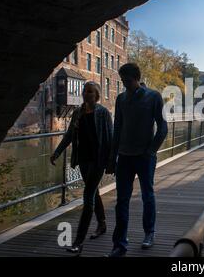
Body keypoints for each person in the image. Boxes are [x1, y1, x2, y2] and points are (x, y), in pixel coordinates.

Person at [106, 63, 167, 257]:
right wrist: (112, 157)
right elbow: (117, 128)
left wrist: (151, 151)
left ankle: (149, 233)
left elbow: (163, 126)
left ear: (136, 78)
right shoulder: (121, 99)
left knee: (147, 195)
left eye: (127, 81)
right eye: (122, 81)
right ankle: (119, 244)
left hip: (144, 157)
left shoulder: (153, 96)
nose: (124, 84)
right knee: (121, 200)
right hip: (124, 156)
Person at [50, 81, 113, 255]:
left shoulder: (103, 113)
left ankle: (79, 241)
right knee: (93, 192)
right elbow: (69, 135)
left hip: (98, 160)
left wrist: (111, 161)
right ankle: (102, 223)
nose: (87, 94)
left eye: (91, 92)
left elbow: (111, 138)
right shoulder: (77, 113)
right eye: (85, 91)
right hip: (83, 160)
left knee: (88, 197)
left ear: (97, 95)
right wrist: (57, 153)